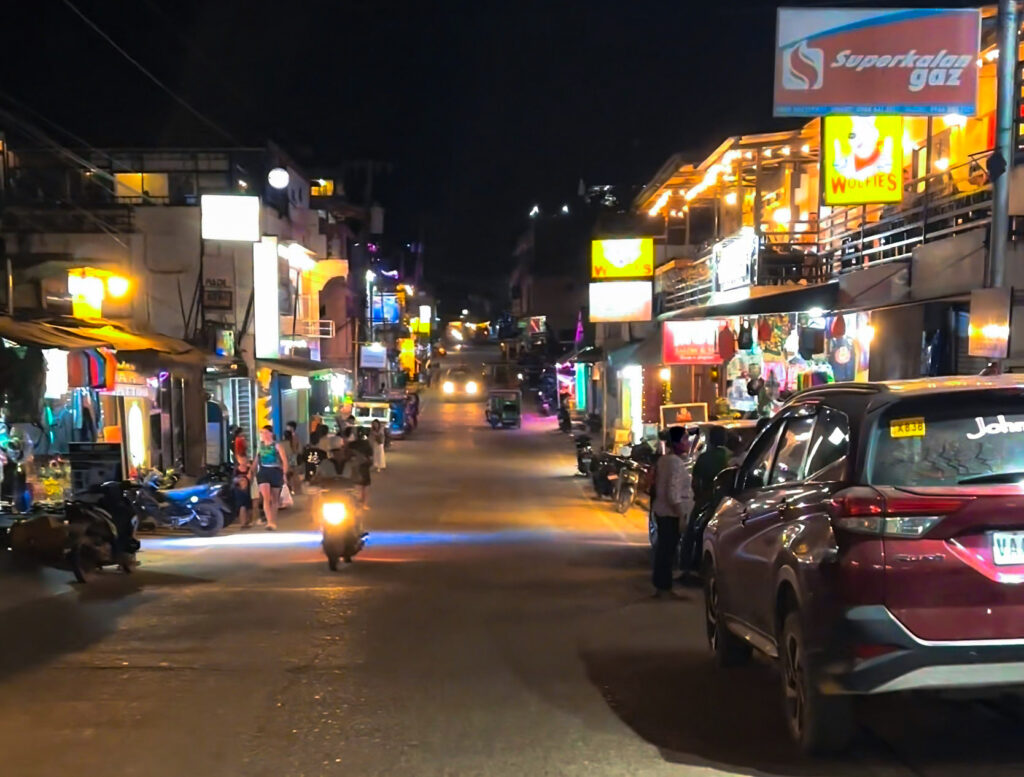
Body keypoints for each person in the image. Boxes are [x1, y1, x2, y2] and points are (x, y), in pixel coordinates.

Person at [650, 425, 692, 596]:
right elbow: (672, 491)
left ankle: (662, 586)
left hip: (662, 510)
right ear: (677, 442)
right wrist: (681, 513)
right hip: (671, 512)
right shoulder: (675, 462)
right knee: (667, 551)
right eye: (685, 439)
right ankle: (664, 587)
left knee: (664, 549)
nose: (688, 443)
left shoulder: (664, 460)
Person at [255, 425, 289, 531]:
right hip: (264, 471)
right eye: (262, 433)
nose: (263, 435)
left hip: (275, 471)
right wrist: (251, 471)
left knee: (275, 499)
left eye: (265, 432)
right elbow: (257, 459)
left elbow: (284, 461)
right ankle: (269, 522)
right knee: (266, 497)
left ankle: (273, 520)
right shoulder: (260, 446)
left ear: (270, 434)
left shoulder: (277, 446)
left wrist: (284, 474)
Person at [343, 426, 373, 507]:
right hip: (365, 467)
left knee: (357, 486)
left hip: (355, 468)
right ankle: (364, 504)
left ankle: (357, 502)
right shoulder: (367, 443)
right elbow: (371, 456)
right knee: (365, 485)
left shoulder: (351, 444)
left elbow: (346, 456)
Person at [233, 452, 254, 529]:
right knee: (242, 506)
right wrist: (240, 480)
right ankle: (243, 523)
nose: (242, 461)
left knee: (249, 507)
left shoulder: (249, 468)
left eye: (244, 459)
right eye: (241, 460)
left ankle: (248, 521)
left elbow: (252, 478)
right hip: (239, 490)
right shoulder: (236, 469)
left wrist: (251, 469)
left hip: (248, 489)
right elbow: (233, 479)